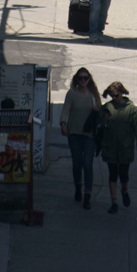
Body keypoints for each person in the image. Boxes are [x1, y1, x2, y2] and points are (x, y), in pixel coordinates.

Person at [99, 81, 137, 214]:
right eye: (112, 96)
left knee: (124, 175)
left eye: (116, 95)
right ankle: (114, 202)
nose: (114, 98)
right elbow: (99, 125)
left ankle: (124, 190)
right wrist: (104, 120)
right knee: (112, 175)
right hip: (110, 147)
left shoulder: (131, 108)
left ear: (122, 93)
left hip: (125, 147)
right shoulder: (107, 107)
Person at [60, 68, 102, 209]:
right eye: (80, 78)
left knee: (87, 163)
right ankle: (78, 186)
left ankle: (87, 194)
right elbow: (66, 109)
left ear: (90, 79)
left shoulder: (93, 95)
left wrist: (99, 110)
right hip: (74, 134)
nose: (83, 81)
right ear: (76, 79)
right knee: (77, 163)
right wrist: (63, 123)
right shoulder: (71, 94)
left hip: (89, 135)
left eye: (86, 78)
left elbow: (102, 114)